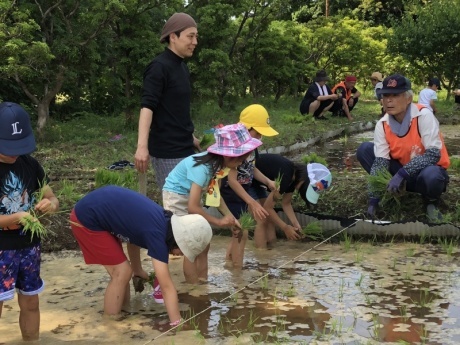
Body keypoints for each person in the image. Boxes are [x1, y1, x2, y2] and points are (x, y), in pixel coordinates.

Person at [69, 185, 212, 325]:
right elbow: (166, 287)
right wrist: (177, 322)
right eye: (183, 251)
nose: (180, 255)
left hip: (100, 209)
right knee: (121, 272)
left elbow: (133, 237)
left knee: (125, 271)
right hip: (87, 217)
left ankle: (123, 312)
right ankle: (111, 323)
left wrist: (137, 270)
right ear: (180, 242)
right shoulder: (158, 237)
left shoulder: (163, 221)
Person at [163, 123, 262, 282]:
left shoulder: (221, 166)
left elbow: (216, 197)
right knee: (192, 244)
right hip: (176, 196)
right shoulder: (202, 168)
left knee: (204, 243)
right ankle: (193, 290)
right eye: (241, 159)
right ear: (229, 156)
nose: (241, 164)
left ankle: (202, 283)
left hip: (190, 196)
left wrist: (231, 220)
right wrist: (218, 221)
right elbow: (193, 206)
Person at [0, 102, 59, 341]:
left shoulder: (30, 164)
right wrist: (16, 218)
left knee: (31, 302)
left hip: (29, 247)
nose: (14, 153)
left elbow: (51, 197)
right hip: (2, 249)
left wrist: (49, 205)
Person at [356, 74, 450, 222]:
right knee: (365, 149)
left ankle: (430, 203)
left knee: (433, 174)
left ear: (408, 99)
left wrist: (402, 174)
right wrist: (374, 198)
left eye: (395, 95)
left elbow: (433, 155)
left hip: (423, 176)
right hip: (401, 176)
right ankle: (391, 192)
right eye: (385, 95)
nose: (389, 100)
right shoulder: (382, 124)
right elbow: (380, 162)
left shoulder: (423, 116)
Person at [134, 12, 201, 189]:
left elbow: (175, 110)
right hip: (168, 153)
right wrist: (142, 147)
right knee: (178, 210)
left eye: (196, 37)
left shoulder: (182, 68)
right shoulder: (158, 67)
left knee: (191, 209)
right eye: (190, 36)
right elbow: (147, 107)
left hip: (186, 148)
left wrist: (192, 138)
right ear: (173, 37)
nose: (195, 42)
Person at [220, 104, 277, 267]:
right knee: (241, 231)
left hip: (242, 192)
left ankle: (230, 263)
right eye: (258, 133)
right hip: (231, 192)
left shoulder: (252, 145)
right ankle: (236, 270)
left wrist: (267, 181)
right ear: (246, 128)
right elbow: (231, 180)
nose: (260, 137)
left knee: (238, 232)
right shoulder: (236, 146)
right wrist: (251, 202)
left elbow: (252, 168)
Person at [253, 154, 332, 248]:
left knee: (269, 220)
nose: (301, 190)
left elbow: (286, 203)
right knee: (262, 219)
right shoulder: (285, 177)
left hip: (258, 183)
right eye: (306, 188)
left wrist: (296, 224)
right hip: (248, 178)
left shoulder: (293, 179)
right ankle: (261, 256)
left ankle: (271, 252)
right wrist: (285, 228)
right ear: (305, 179)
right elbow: (268, 208)